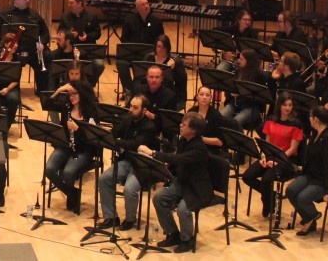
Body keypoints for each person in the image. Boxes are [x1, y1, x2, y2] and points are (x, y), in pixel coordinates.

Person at [143, 112, 211, 253]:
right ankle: (173, 233)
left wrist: (153, 153)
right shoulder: (183, 141)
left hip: (197, 189)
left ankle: (187, 239)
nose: (180, 126)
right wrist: (167, 166)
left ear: (193, 130)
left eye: (184, 125)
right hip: (182, 183)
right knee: (159, 199)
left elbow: (180, 159)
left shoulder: (198, 148)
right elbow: (177, 160)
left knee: (183, 209)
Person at [95, 94, 158, 231]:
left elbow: (136, 145)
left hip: (141, 165)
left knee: (129, 189)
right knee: (104, 179)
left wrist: (120, 142)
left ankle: (130, 219)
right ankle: (111, 217)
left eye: (135, 107)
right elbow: (115, 133)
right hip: (126, 160)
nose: (131, 110)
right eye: (131, 106)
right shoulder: (127, 119)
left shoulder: (149, 127)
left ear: (144, 110)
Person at [242, 94, 303, 217]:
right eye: (284, 105)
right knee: (247, 176)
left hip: (286, 160)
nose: (287, 108)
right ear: (279, 105)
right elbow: (267, 143)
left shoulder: (296, 124)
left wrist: (278, 160)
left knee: (266, 179)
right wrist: (265, 157)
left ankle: (268, 204)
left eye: (290, 105)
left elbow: (293, 149)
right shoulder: (270, 120)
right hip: (271, 156)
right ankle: (272, 195)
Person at [45, 80, 99, 214]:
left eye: (74, 94)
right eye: (69, 94)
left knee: (68, 173)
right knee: (49, 169)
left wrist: (78, 129)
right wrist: (59, 90)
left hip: (84, 150)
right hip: (66, 146)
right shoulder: (67, 107)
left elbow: (94, 138)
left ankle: (71, 199)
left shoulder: (91, 112)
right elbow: (47, 104)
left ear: (82, 93)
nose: (71, 97)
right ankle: (73, 193)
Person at [286, 106, 328, 237]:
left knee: (302, 198)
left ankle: (312, 216)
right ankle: (309, 219)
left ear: (316, 120)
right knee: (291, 190)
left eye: (311, 117)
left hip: (323, 180)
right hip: (311, 174)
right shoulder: (315, 133)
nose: (309, 119)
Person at [0, 0, 50, 90]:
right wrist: (3, 45)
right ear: (16, 0)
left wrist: (42, 44)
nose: (28, 0)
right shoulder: (3, 14)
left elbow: (45, 33)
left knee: (47, 55)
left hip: (32, 49)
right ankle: (7, 88)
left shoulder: (35, 15)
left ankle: (43, 90)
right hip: (13, 50)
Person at [117, 0, 162, 82]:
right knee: (121, 63)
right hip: (132, 53)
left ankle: (138, 85)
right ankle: (129, 87)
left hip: (149, 55)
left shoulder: (156, 21)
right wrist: (131, 48)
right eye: (143, 4)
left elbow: (161, 39)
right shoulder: (129, 20)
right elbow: (124, 38)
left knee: (145, 62)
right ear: (137, 8)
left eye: (147, 3)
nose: (146, 6)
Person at [220, 48, 265, 129]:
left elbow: (260, 97)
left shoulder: (259, 75)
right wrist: (231, 93)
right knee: (221, 118)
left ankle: (239, 137)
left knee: (236, 122)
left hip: (252, 106)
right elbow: (230, 88)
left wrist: (242, 94)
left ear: (249, 61)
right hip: (236, 103)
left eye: (241, 59)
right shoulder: (238, 71)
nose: (238, 61)